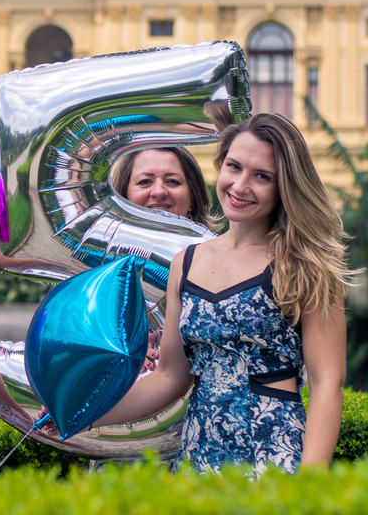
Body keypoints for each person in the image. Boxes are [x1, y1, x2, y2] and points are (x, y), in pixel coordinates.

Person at [94, 113, 352, 474]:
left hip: (273, 454)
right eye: (234, 167)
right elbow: (169, 377)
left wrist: (310, 486)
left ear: (285, 186)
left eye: (262, 176)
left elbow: (328, 384)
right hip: (198, 456)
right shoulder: (186, 263)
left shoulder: (306, 264)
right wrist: (86, 412)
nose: (240, 185)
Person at [112, 146, 215, 229]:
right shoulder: (100, 253)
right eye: (145, 181)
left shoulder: (213, 254)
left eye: (172, 181)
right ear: (124, 194)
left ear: (193, 195)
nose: (159, 192)